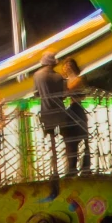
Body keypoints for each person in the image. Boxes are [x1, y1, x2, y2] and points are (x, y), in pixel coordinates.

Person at [32, 56, 72, 185]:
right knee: (67, 140)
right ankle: (68, 167)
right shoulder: (59, 77)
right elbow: (64, 94)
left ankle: (54, 170)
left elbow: (36, 93)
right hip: (60, 112)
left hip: (46, 112)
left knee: (52, 143)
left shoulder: (37, 75)